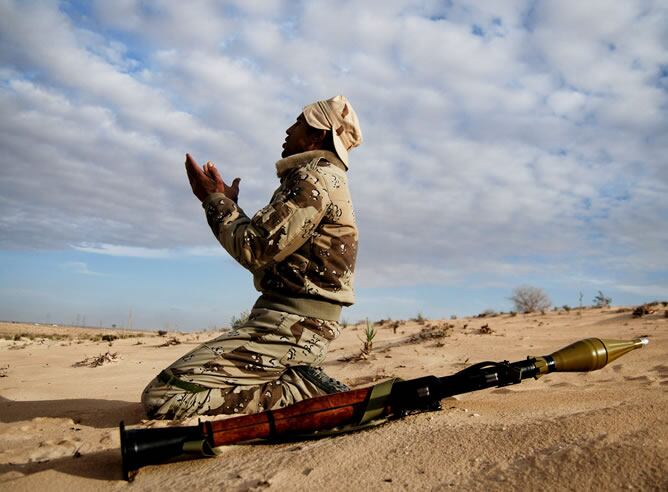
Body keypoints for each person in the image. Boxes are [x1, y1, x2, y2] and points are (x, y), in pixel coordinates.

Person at [141, 95, 363, 419]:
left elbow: (254, 249)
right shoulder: (320, 177)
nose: (289, 129)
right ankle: (296, 382)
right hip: (291, 323)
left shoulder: (313, 180)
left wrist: (214, 200)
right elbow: (266, 244)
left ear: (317, 135)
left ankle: (299, 392)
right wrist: (225, 203)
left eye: (299, 123)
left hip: (290, 327)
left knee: (164, 396)